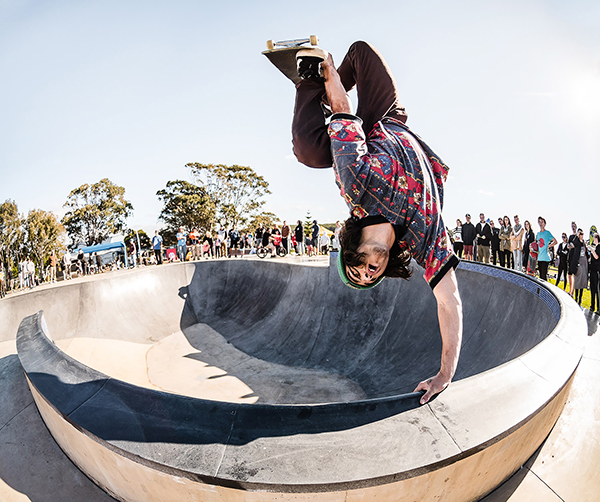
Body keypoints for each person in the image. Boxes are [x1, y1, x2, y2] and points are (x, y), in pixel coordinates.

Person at [291, 41, 461, 405]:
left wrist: (329, 75)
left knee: (307, 148)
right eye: (370, 278)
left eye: (357, 271)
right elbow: (449, 302)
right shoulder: (421, 238)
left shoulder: (356, 185)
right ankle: (317, 86)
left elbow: (341, 106)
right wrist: (446, 372)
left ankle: (311, 80)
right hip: (390, 118)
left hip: (366, 128)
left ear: (351, 251)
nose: (367, 274)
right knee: (365, 53)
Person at [536, 217, 556, 281]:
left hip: (545, 257)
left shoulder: (547, 233)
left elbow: (555, 241)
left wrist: (549, 246)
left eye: (542, 222)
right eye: (539, 222)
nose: (540, 223)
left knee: (543, 277)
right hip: (539, 257)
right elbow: (537, 244)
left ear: (544, 224)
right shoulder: (538, 234)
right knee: (540, 276)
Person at [567, 221, 580, 296]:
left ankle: (572, 291)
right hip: (570, 256)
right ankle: (570, 289)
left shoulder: (578, 237)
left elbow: (574, 245)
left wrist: (572, 245)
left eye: (574, 225)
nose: (573, 227)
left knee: (574, 274)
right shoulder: (571, 236)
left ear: (576, 226)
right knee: (569, 274)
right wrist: (571, 245)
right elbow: (568, 246)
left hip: (575, 257)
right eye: (572, 226)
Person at [588, 233, 600, 314]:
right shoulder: (596, 247)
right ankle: (592, 306)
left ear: (597, 238)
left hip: (597, 272)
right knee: (592, 289)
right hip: (592, 271)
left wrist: (592, 251)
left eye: (594, 238)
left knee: (597, 291)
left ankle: (599, 309)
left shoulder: (599, 247)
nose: (593, 239)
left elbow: (597, 257)